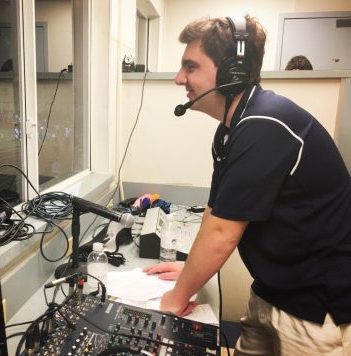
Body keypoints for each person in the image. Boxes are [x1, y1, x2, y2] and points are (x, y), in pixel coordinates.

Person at [143, 15, 351, 354]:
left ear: (231, 73)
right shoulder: (231, 130)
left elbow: (224, 234)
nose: (180, 78)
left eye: (190, 67)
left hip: (316, 309)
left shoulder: (265, 124)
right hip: (272, 291)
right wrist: (191, 269)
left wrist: (172, 302)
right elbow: (217, 213)